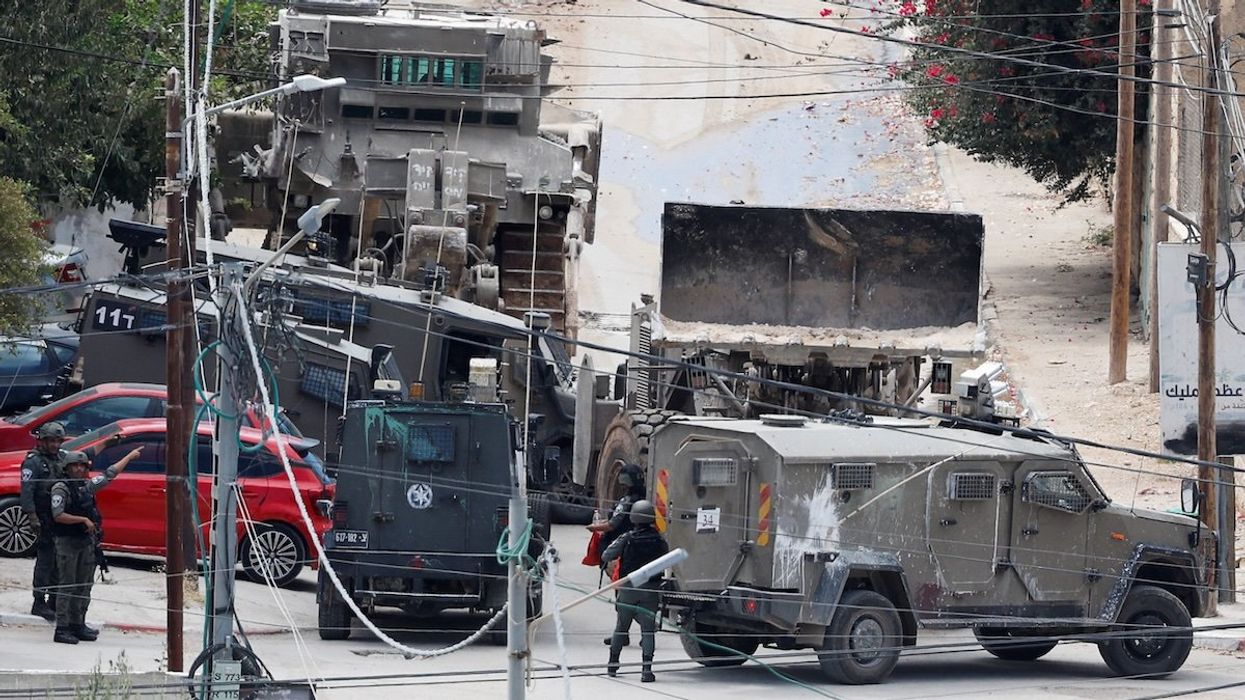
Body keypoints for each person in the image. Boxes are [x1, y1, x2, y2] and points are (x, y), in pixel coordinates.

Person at [49, 447, 142, 644]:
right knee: (67, 585)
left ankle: (78, 623)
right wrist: (83, 520)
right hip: (67, 542)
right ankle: (62, 628)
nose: (79, 469)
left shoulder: (86, 487)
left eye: (82, 466)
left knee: (84, 585)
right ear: (67, 468)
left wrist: (129, 456)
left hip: (85, 542)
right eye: (75, 466)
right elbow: (58, 515)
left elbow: (109, 475)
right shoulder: (61, 488)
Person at [600, 499, 668, 683]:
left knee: (622, 627)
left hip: (629, 587)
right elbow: (666, 558)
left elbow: (606, 555)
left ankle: (613, 664)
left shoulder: (627, 538)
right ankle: (646, 670)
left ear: (633, 517)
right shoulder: (660, 540)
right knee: (648, 630)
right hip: (651, 589)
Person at [587, 461, 647, 645]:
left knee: (622, 599)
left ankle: (633, 632)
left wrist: (594, 527)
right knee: (631, 597)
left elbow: (613, 525)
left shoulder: (627, 501)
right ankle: (626, 634)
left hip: (622, 555)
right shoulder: (644, 501)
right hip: (638, 554)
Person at [18, 421, 67, 621]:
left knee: (59, 561)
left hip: (60, 516)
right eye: (51, 441)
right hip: (43, 517)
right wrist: (32, 517)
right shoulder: (33, 462)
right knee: (45, 561)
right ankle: (39, 601)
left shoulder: (62, 458)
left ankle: (54, 599)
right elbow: (27, 491)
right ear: (42, 441)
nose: (55, 445)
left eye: (58, 441)